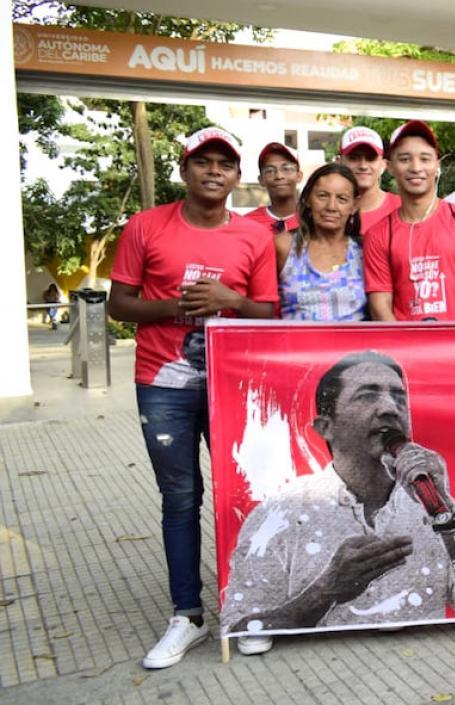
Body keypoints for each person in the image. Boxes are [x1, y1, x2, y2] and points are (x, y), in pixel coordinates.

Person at [106, 127, 278, 669]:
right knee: (180, 498)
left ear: (236, 176)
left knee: (244, 493)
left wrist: (229, 300)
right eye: (203, 162)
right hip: (163, 384)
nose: (214, 171)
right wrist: (174, 306)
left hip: (233, 384)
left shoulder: (254, 235)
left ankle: (248, 607)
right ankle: (189, 615)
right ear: (184, 171)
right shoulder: (146, 226)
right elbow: (118, 304)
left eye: (225, 164)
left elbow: (269, 311)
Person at [220, 351, 455, 647]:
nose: (390, 408)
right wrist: (325, 591)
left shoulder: (434, 506)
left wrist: (446, 514)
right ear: (326, 427)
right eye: (367, 396)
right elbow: (242, 628)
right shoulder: (280, 515)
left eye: (399, 398)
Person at [363, 120, 455, 322]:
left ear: (437, 165)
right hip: (405, 342)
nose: (416, 168)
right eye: (405, 159)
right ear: (390, 167)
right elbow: (380, 307)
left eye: (425, 159)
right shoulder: (378, 234)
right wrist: (405, 343)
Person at [275, 162, 368, 321]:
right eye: (323, 196)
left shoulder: (365, 249)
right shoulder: (284, 246)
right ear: (308, 199)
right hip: (295, 337)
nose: (331, 207)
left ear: (354, 205)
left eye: (342, 199)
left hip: (356, 338)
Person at [338, 126, 401, 234]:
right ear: (339, 162)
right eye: (354, 158)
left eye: (371, 158)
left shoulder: (403, 209)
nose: (363, 166)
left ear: (384, 164)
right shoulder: (327, 212)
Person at [244, 142, 302, 234]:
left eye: (286, 169)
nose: (279, 176)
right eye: (269, 171)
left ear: (299, 176)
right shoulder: (247, 223)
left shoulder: (314, 219)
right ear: (261, 179)